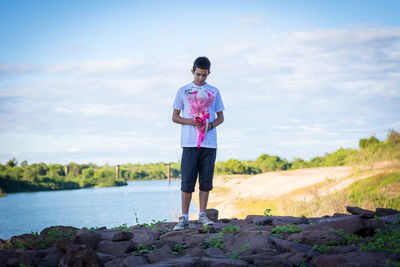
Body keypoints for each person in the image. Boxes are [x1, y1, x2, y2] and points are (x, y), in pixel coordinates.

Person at [172, 56, 225, 230]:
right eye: (198, 75)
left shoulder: (214, 91)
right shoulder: (183, 91)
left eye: (204, 75)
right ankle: (184, 218)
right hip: (189, 143)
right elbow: (175, 117)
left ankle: (202, 215)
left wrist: (209, 125)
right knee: (187, 181)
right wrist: (191, 122)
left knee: (205, 181)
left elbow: (221, 117)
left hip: (209, 144)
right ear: (192, 71)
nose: (200, 78)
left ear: (209, 73)